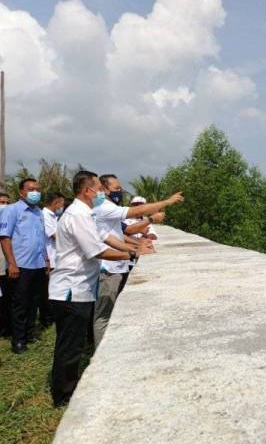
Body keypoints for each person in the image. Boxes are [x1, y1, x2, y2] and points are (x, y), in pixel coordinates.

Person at [49, 170, 154, 407]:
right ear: (87, 191)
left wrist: (135, 247)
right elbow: (96, 250)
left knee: (73, 343)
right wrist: (132, 252)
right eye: (98, 188)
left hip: (79, 288)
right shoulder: (78, 215)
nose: (102, 193)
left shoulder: (85, 214)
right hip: (70, 290)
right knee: (69, 346)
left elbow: (106, 238)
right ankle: (63, 396)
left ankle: (67, 388)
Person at [93, 174, 183, 346]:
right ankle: (99, 351)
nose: (119, 191)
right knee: (104, 315)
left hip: (118, 265)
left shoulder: (109, 207)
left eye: (120, 188)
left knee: (112, 311)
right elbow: (133, 219)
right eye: (116, 188)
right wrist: (166, 203)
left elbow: (118, 236)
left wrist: (137, 246)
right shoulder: (104, 207)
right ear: (104, 190)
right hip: (108, 267)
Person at [0, 179, 50, 354]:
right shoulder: (11, 210)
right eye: (31, 189)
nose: (35, 192)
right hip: (21, 264)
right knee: (20, 303)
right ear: (21, 192)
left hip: (38, 264)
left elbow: (41, 239)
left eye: (37, 189)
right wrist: (12, 263)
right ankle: (18, 340)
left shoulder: (38, 212)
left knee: (34, 301)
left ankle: (30, 333)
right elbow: (5, 238)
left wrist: (46, 261)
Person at [41, 192, 65, 328]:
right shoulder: (45, 216)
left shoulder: (54, 216)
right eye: (61, 204)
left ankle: (51, 315)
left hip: (56, 258)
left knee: (53, 289)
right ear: (55, 203)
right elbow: (55, 236)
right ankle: (47, 318)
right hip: (49, 258)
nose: (62, 206)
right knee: (47, 291)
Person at [0, 192, 11, 337]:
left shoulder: (9, 221)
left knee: (7, 299)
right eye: (2, 202)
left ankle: (6, 327)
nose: (4, 206)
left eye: (7, 203)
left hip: (7, 266)